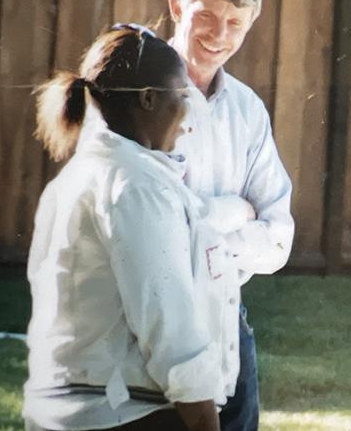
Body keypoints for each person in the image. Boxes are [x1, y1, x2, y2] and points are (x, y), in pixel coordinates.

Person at [23, 25, 230, 431]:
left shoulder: (77, 178)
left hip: (66, 411)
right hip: (122, 415)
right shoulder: (135, 186)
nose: (188, 117)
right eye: (182, 97)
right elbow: (168, 322)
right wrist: (205, 418)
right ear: (150, 99)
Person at [167, 0, 295, 431]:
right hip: (148, 322)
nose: (218, 36)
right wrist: (235, 212)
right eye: (206, 16)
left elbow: (279, 238)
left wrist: (206, 234)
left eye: (235, 23)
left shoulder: (247, 111)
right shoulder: (136, 95)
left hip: (227, 323)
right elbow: (148, 223)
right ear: (178, 7)